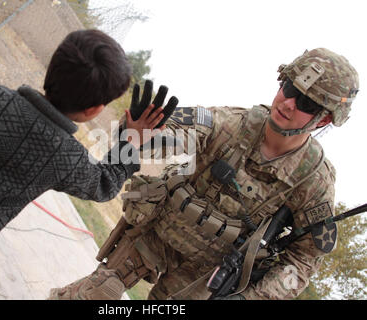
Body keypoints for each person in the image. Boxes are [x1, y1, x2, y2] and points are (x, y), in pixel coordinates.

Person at [48, 48, 359, 300]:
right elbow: (181, 133)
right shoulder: (229, 123)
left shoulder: (313, 182)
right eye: (289, 87)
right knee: (95, 296)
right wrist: (141, 138)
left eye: (305, 102)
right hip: (159, 233)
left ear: (323, 119)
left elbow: (304, 261)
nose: (288, 103)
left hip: (207, 274)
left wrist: (253, 297)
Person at [0, 29, 172, 298]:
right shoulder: (66, 157)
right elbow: (104, 184)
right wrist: (130, 141)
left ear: (52, 68)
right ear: (94, 110)